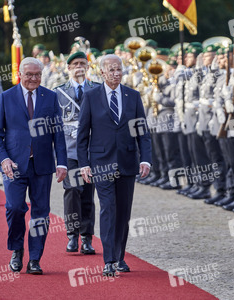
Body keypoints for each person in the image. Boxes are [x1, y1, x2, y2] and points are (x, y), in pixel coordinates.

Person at [0, 57, 68, 275]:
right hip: (13, 165)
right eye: (29, 74)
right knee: (15, 208)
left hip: (42, 165)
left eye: (37, 75)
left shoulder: (50, 97)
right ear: (20, 74)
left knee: (41, 213)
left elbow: (58, 134)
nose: (34, 78)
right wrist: (4, 159)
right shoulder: (6, 98)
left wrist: (62, 162)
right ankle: (16, 250)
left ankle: (35, 258)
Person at [77, 54, 152, 276]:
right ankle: (108, 260)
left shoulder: (133, 96)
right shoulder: (91, 97)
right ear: (102, 73)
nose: (116, 73)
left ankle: (120, 256)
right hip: (100, 163)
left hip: (127, 162)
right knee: (108, 209)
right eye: (111, 70)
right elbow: (82, 135)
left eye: (119, 69)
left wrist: (145, 158)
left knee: (123, 212)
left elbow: (142, 133)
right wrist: (84, 164)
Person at [55, 51, 99, 254]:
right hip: (70, 150)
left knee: (88, 194)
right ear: (69, 68)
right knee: (72, 191)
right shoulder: (58, 92)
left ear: (88, 67)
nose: (79, 67)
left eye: (83, 63)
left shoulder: (97, 90)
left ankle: (87, 237)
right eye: (75, 64)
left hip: (91, 150)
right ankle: (72, 234)